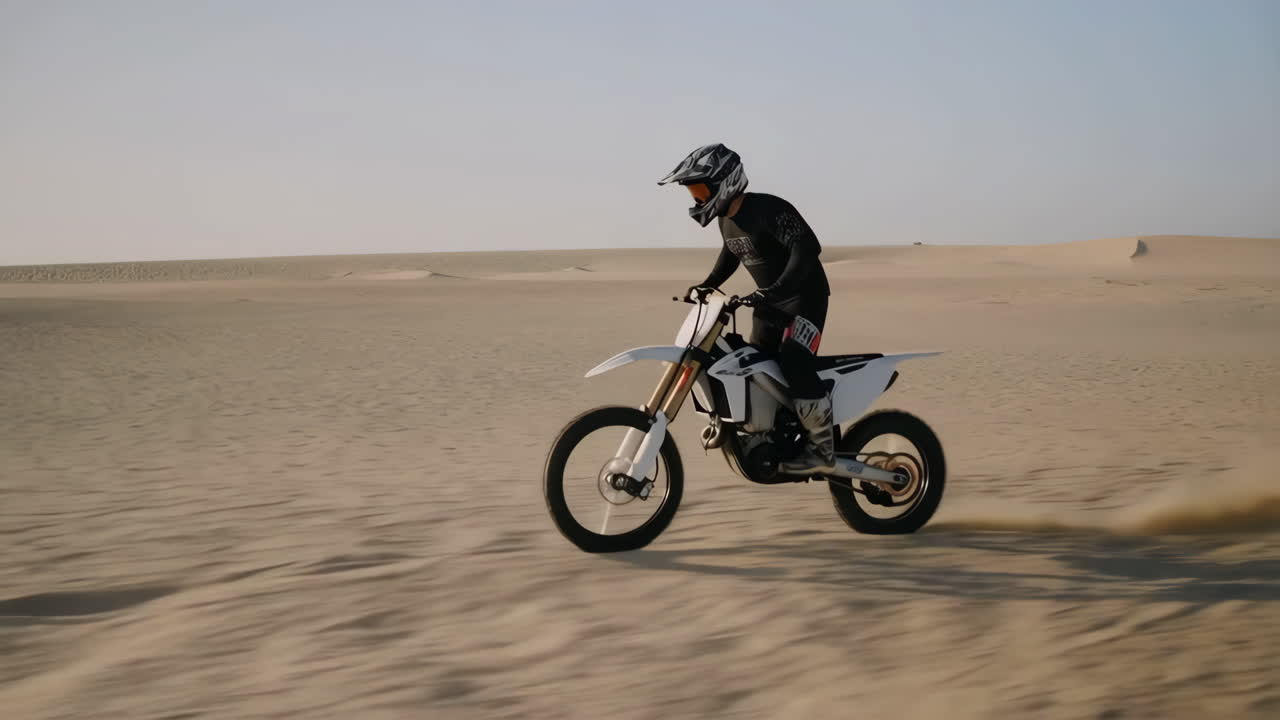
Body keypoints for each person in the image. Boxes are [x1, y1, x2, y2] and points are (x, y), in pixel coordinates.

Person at [658, 143, 835, 474]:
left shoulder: (769, 209)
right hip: (769, 304)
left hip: (804, 300)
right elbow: (731, 253)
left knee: (794, 360)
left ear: (725, 181)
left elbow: (807, 248)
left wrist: (774, 290)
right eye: (693, 192)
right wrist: (708, 284)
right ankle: (773, 432)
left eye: (700, 190)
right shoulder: (727, 220)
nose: (697, 199)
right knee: (756, 365)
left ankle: (823, 449)